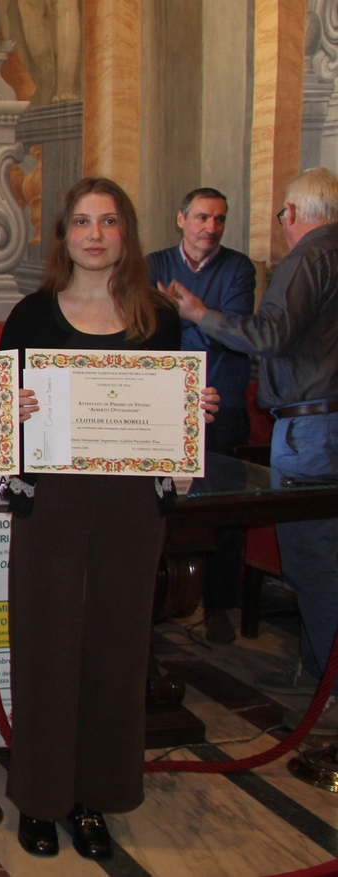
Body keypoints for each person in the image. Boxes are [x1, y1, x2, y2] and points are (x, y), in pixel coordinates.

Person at [2, 177, 218, 859]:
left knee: (117, 650)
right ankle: (41, 798)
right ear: (64, 235)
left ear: (126, 233)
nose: (95, 234)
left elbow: (168, 417)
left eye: (110, 221)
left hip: (130, 506)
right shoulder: (31, 316)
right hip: (55, 503)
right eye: (82, 222)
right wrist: (14, 411)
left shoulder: (160, 317)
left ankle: (95, 797)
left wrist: (195, 410)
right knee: (46, 646)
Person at [169, 166, 338, 734]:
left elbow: (268, 335)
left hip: (313, 430)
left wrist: (195, 314)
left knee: (314, 560)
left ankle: (325, 685)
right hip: (324, 425)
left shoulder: (305, 259)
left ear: (291, 214)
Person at [147, 187, 256, 644]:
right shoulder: (154, 264)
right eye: (202, 217)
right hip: (163, 401)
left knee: (222, 510)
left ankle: (219, 606)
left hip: (222, 402)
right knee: (161, 502)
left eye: (219, 220)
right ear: (181, 218)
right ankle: (158, 599)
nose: (210, 228)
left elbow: (235, 334)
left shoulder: (238, 268)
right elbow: (147, 326)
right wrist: (198, 319)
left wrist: (189, 312)